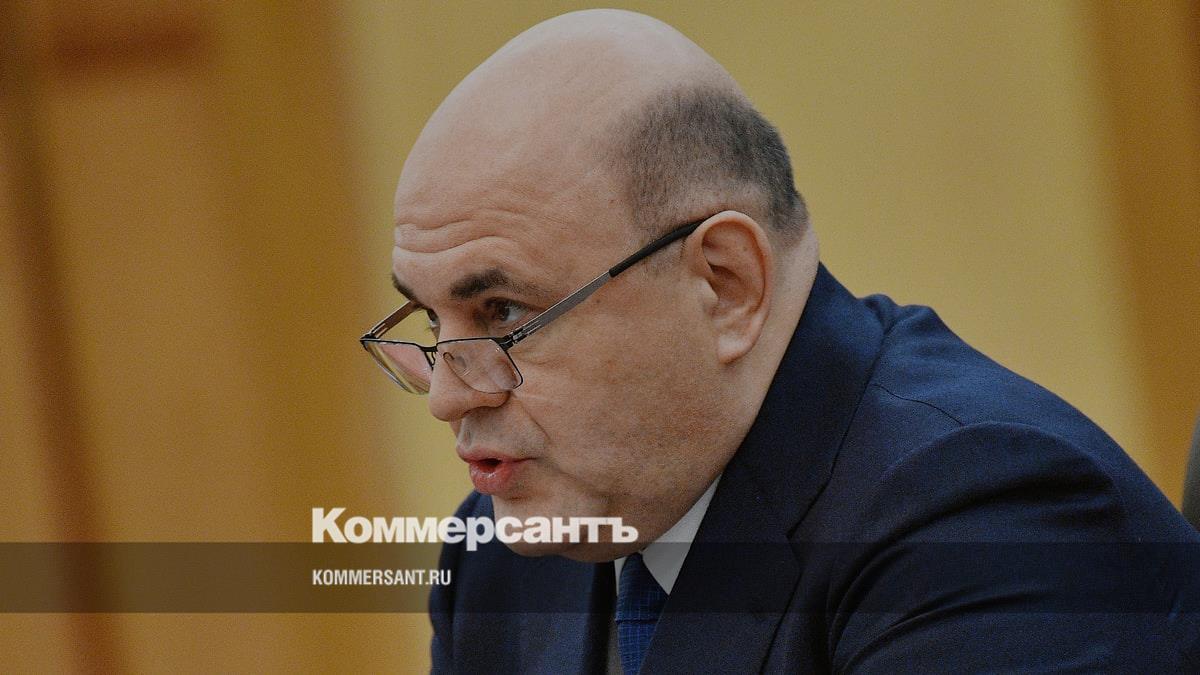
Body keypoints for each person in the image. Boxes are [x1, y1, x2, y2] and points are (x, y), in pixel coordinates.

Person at [361, 9, 1200, 673]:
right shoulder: (502, 562)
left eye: (505, 313)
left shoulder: (984, 517)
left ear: (726, 284)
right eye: (432, 322)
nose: (448, 395)